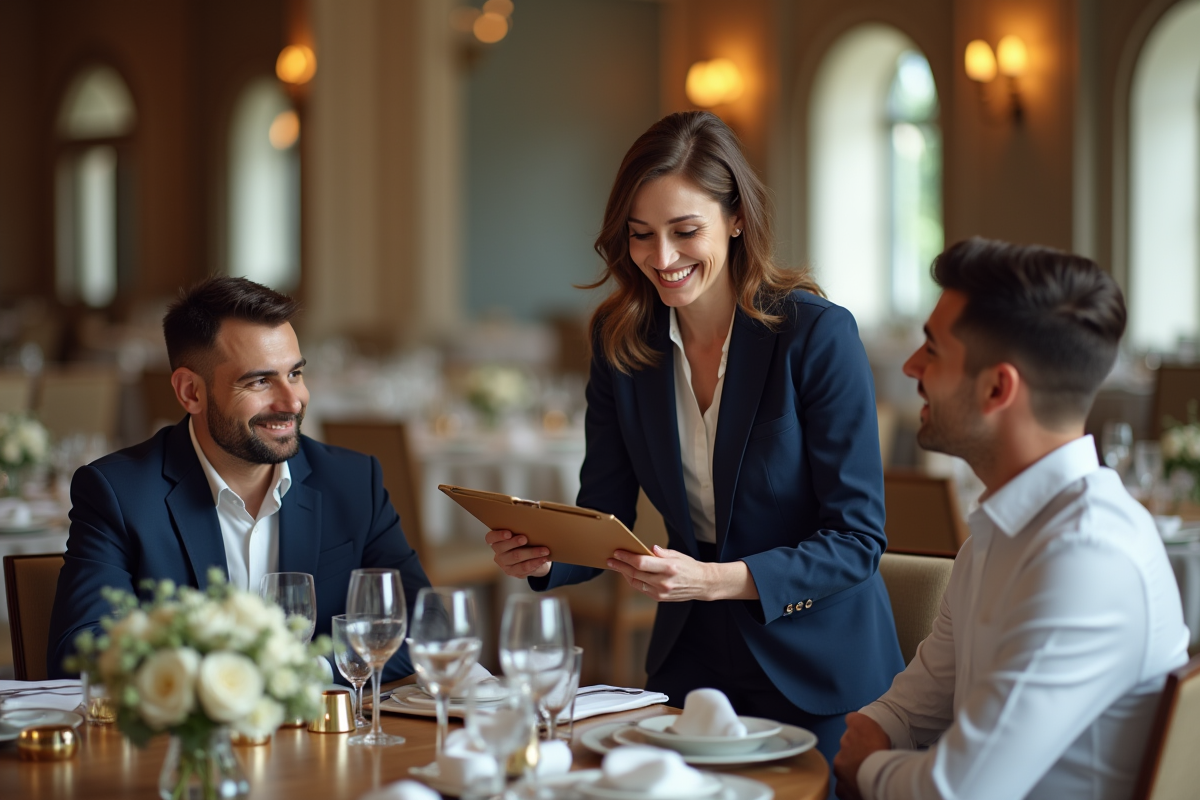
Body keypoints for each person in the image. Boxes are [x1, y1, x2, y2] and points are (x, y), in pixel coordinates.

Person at [486, 111, 904, 775]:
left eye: (685, 232)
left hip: (817, 663)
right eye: (641, 235)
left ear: (736, 218)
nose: (662, 258)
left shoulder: (815, 336)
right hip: (691, 661)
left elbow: (856, 541)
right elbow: (604, 509)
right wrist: (543, 559)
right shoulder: (621, 343)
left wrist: (714, 580)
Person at [832, 238, 1190, 800]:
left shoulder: (1087, 557)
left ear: (998, 387)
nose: (910, 367)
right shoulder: (994, 537)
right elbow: (919, 701)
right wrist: (877, 730)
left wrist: (867, 767)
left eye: (931, 350)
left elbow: (959, 791)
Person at [47, 276, 431, 681]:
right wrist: (226, 685)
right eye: (260, 381)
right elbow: (83, 649)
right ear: (190, 392)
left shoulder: (352, 482)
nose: (292, 401)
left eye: (295, 374)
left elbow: (424, 627)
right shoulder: (119, 494)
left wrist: (305, 674)